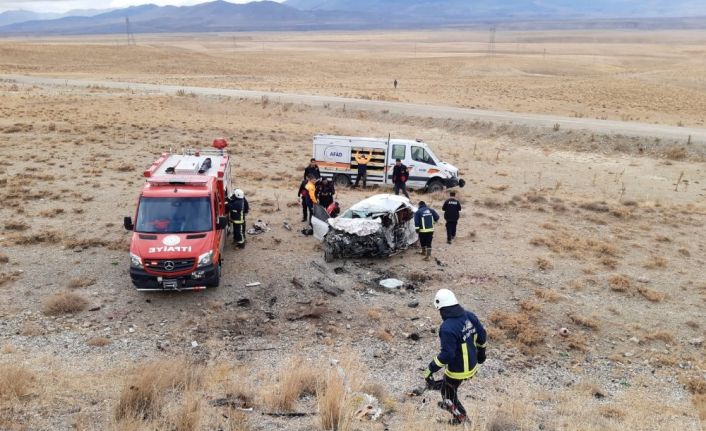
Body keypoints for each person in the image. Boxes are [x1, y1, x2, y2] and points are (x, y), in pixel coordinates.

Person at [424, 289, 487, 426]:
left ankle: (462, 420)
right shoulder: (469, 316)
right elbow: (482, 336)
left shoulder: (447, 328)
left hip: (458, 369)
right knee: (449, 386)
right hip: (472, 363)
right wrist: (482, 355)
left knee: (447, 394)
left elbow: (447, 355)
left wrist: (431, 368)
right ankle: (450, 403)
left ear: (442, 308)